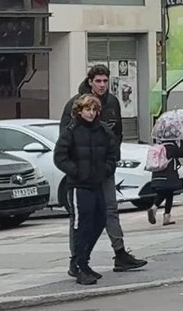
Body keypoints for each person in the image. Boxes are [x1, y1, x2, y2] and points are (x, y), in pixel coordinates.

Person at [61, 64, 147, 273]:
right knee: (80, 216)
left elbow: (117, 135)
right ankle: (77, 260)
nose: (101, 85)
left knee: (110, 209)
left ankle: (120, 253)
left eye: (105, 81)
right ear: (90, 82)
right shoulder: (75, 104)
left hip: (104, 168)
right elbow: (66, 140)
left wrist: (111, 162)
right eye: (98, 81)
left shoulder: (112, 103)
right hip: (82, 172)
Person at [54, 94, 119, 286]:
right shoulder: (71, 131)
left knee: (99, 221)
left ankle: (83, 260)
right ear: (79, 111)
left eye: (94, 110)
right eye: (87, 110)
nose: (91, 113)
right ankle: (80, 265)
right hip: (79, 186)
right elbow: (60, 157)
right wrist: (77, 172)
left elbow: (112, 154)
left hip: (97, 182)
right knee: (82, 225)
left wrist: (106, 170)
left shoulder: (103, 131)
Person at [146, 139, 183, 227]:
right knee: (168, 193)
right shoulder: (171, 147)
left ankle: (160, 213)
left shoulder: (159, 146)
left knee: (166, 193)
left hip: (157, 175)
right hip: (169, 174)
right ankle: (161, 213)